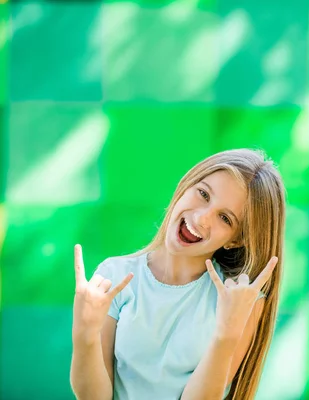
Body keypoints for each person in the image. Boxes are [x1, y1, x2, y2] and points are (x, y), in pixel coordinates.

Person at [70, 148, 286, 400]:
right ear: (186, 186)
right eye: (203, 194)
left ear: (236, 240)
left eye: (225, 218)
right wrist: (84, 333)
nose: (202, 218)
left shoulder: (239, 301)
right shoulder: (114, 275)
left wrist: (226, 336)